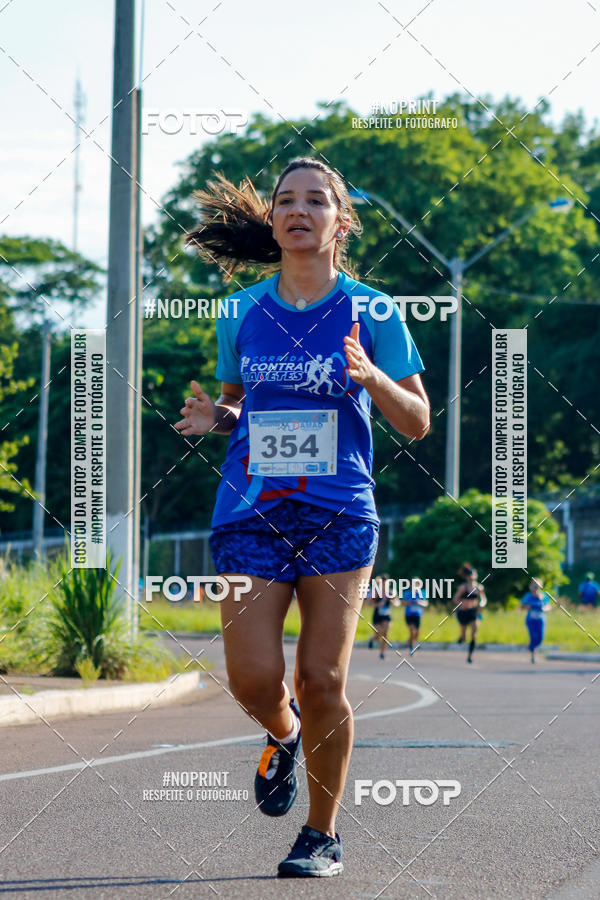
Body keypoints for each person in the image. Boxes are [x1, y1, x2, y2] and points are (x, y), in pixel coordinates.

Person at [175, 158, 429, 878]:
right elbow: (240, 407)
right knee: (255, 679)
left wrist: (373, 377)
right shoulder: (240, 311)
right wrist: (216, 417)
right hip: (250, 510)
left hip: (339, 511)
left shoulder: (374, 310)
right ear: (274, 220)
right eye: (286, 200)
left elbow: (417, 421)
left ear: (339, 222)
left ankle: (321, 835)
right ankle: (282, 735)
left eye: (316, 200)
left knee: (321, 678)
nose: (299, 209)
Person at [452, 564, 487, 664]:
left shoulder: (479, 587)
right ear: (467, 577)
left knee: (474, 633)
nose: (471, 577)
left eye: (473, 575)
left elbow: (483, 599)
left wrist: (482, 603)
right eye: (470, 575)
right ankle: (461, 637)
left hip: (474, 611)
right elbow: (455, 599)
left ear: (476, 576)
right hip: (463, 612)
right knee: (464, 636)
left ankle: (470, 656)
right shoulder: (463, 587)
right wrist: (461, 603)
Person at [369, 573, 400, 660]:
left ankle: (382, 653)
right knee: (378, 633)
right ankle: (372, 639)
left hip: (387, 614)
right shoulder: (376, 592)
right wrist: (377, 604)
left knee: (386, 633)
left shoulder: (391, 592)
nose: (385, 585)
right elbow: (370, 603)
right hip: (377, 615)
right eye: (383, 583)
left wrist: (393, 603)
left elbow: (398, 602)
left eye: (387, 583)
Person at [521, 578, 552, 663]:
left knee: (540, 638)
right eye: (534, 585)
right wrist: (527, 606)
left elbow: (549, 606)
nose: (535, 587)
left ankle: (531, 648)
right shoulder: (528, 596)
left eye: (537, 585)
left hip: (541, 619)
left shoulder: (544, 596)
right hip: (531, 619)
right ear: (531, 586)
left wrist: (545, 608)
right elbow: (521, 606)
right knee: (533, 637)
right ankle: (533, 655)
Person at [402, 577, 429, 654]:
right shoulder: (407, 593)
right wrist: (410, 602)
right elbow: (403, 602)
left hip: (418, 615)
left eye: (416, 584)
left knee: (416, 633)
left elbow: (426, 603)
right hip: (409, 614)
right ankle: (411, 647)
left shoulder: (422, 593)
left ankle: (410, 642)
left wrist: (419, 602)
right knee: (412, 631)